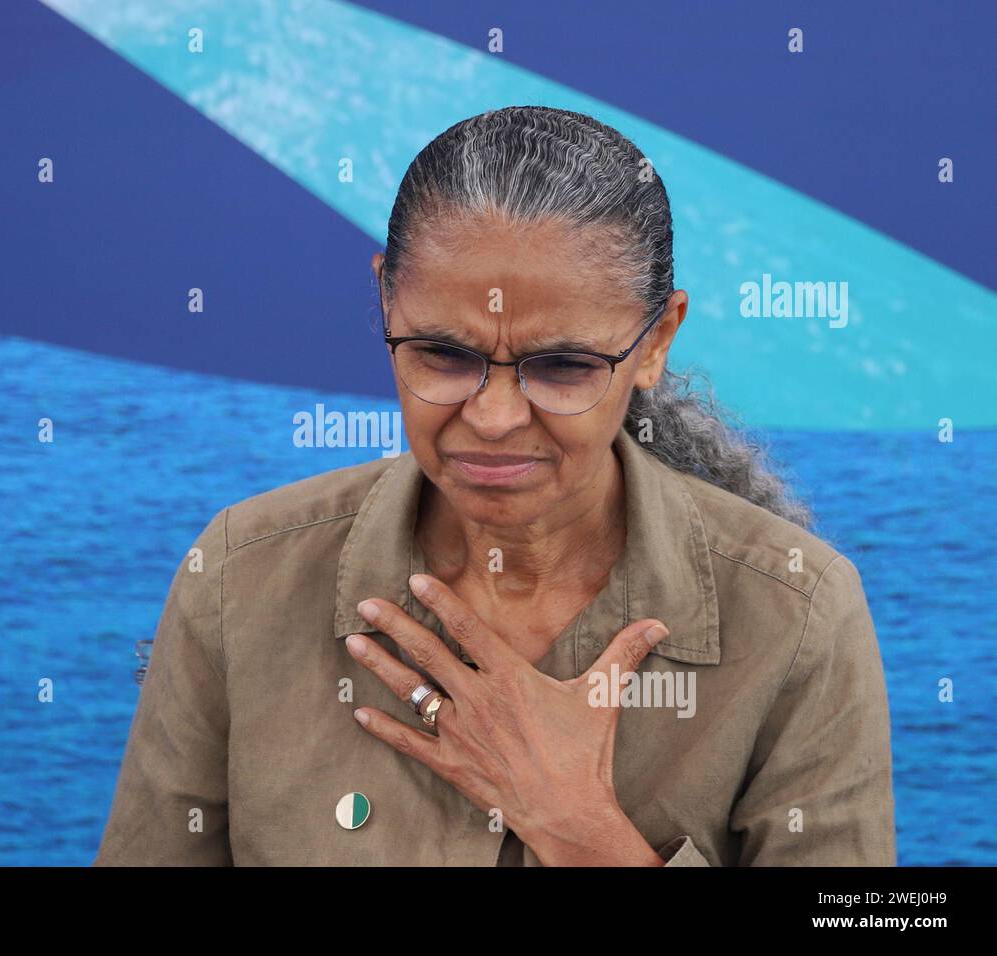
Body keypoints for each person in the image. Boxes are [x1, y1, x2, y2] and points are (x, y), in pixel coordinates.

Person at [94, 106, 895, 866]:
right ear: (384, 300)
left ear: (657, 342)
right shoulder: (242, 576)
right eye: (444, 354)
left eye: (563, 366)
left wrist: (576, 826)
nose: (497, 416)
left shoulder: (799, 614)